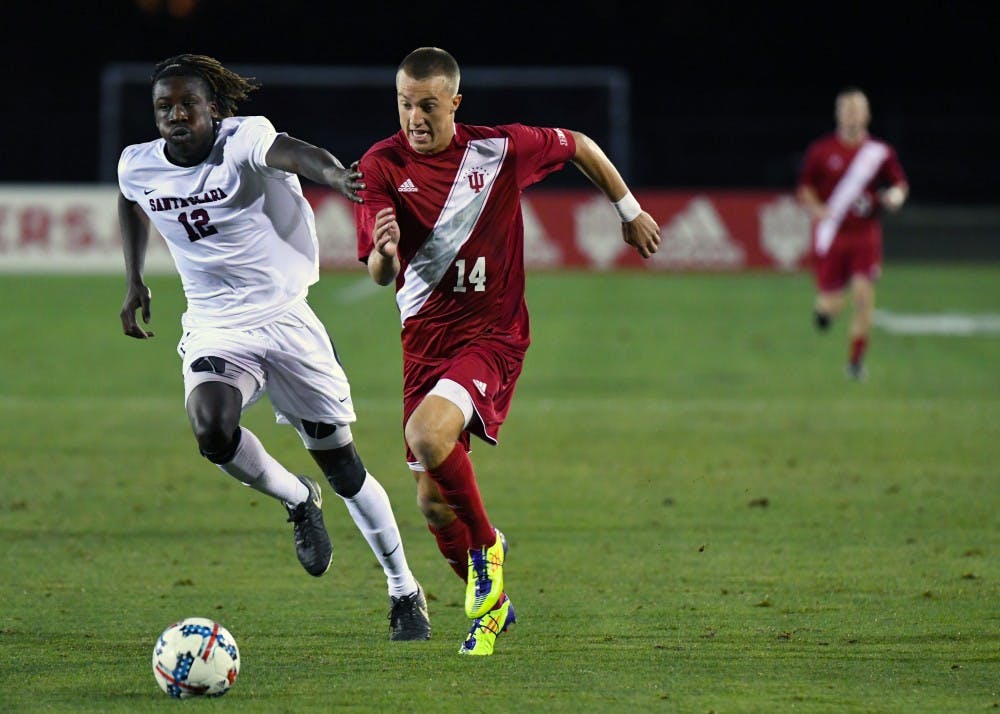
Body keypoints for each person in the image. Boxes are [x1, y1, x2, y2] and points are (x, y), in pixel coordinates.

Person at [353, 47, 661, 655]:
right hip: (424, 345)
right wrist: (385, 253)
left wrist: (630, 210)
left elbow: (580, 145)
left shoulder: (499, 151)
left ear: (455, 104)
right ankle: (492, 610)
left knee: (427, 436)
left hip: (492, 335)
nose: (415, 117)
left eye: (429, 106)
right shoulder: (379, 164)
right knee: (433, 507)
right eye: (406, 104)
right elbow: (378, 273)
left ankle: (488, 544)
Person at [117, 54, 431, 641]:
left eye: (188, 104)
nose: (176, 115)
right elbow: (131, 199)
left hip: (287, 320)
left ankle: (403, 589)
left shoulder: (243, 140)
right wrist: (136, 277)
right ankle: (296, 499)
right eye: (165, 106)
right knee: (212, 429)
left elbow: (293, 153)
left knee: (344, 467)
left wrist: (336, 177)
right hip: (217, 325)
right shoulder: (138, 164)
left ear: (214, 109)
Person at [797, 86, 909, 380]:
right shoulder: (822, 151)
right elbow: (806, 187)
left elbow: (899, 184)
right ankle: (823, 313)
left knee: (863, 296)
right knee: (832, 304)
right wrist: (818, 209)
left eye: (858, 110)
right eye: (847, 110)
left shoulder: (880, 153)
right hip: (832, 235)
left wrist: (895, 197)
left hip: (865, 235)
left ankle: (855, 363)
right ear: (838, 114)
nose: (852, 115)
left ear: (867, 114)